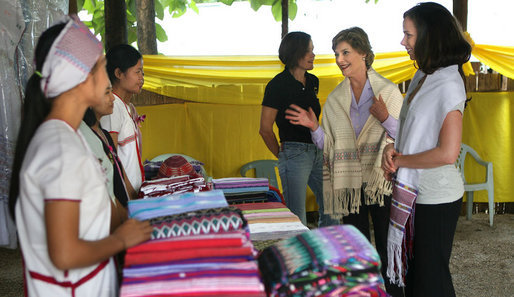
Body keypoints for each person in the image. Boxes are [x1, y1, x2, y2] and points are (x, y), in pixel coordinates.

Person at [8, 15, 152, 296]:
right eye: (101, 66)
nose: (107, 72)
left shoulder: (69, 137)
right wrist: (121, 240)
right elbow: (64, 254)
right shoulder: (60, 148)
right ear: (80, 77)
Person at [285, 27, 404, 296]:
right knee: (357, 250)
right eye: (337, 53)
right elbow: (330, 148)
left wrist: (384, 116)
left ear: (363, 53)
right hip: (350, 184)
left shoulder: (388, 91)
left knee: (388, 248)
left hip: (382, 181)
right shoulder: (337, 98)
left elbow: (404, 138)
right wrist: (314, 127)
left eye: (346, 52)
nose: (340, 59)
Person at [382, 3, 472, 297]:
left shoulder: (448, 83)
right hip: (417, 190)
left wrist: (402, 159)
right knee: (418, 277)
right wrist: (394, 148)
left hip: (437, 196)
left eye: (408, 35)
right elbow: (413, 131)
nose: (403, 42)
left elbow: (447, 152)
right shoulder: (423, 76)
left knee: (430, 280)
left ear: (429, 36)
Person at [259, 31, 335, 227]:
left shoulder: (313, 82)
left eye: (313, 50)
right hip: (294, 153)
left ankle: (325, 248)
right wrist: (282, 155)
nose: (313, 55)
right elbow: (265, 129)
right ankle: (300, 255)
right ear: (295, 53)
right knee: (297, 216)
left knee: (333, 206)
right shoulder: (277, 85)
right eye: (308, 51)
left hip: (318, 151)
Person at [81, 83, 138, 233]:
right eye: (107, 93)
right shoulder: (87, 138)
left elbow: (118, 174)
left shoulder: (104, 134)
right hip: (109, 225)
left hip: (120, 217)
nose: (112, 98)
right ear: (90, 100)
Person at [100, 44, 145, 193]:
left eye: (142, 72)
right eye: (137, 72)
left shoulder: (128, 107)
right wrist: (130, 194)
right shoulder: (112, 109)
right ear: (119, 73)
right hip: (125, 196)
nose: (142, 77)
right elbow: (112, 161)